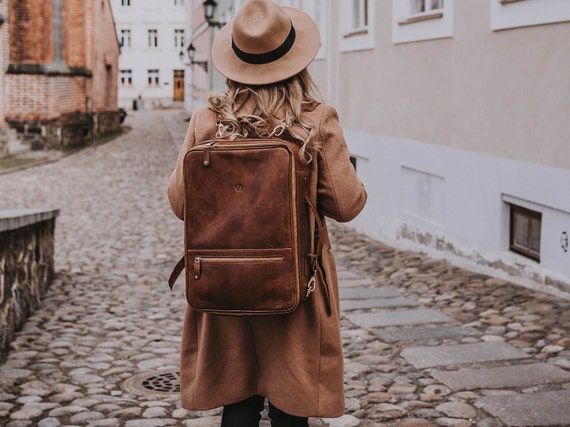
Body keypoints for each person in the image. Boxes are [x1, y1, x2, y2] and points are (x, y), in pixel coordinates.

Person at [167, 0, 367, 426]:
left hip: (225, 282)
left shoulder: (208, 120)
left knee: (237, 404)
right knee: (291, 406)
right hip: (294, 284)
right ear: (295, 60)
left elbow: (180, 203)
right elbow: (348, 204)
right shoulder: (314, 121)